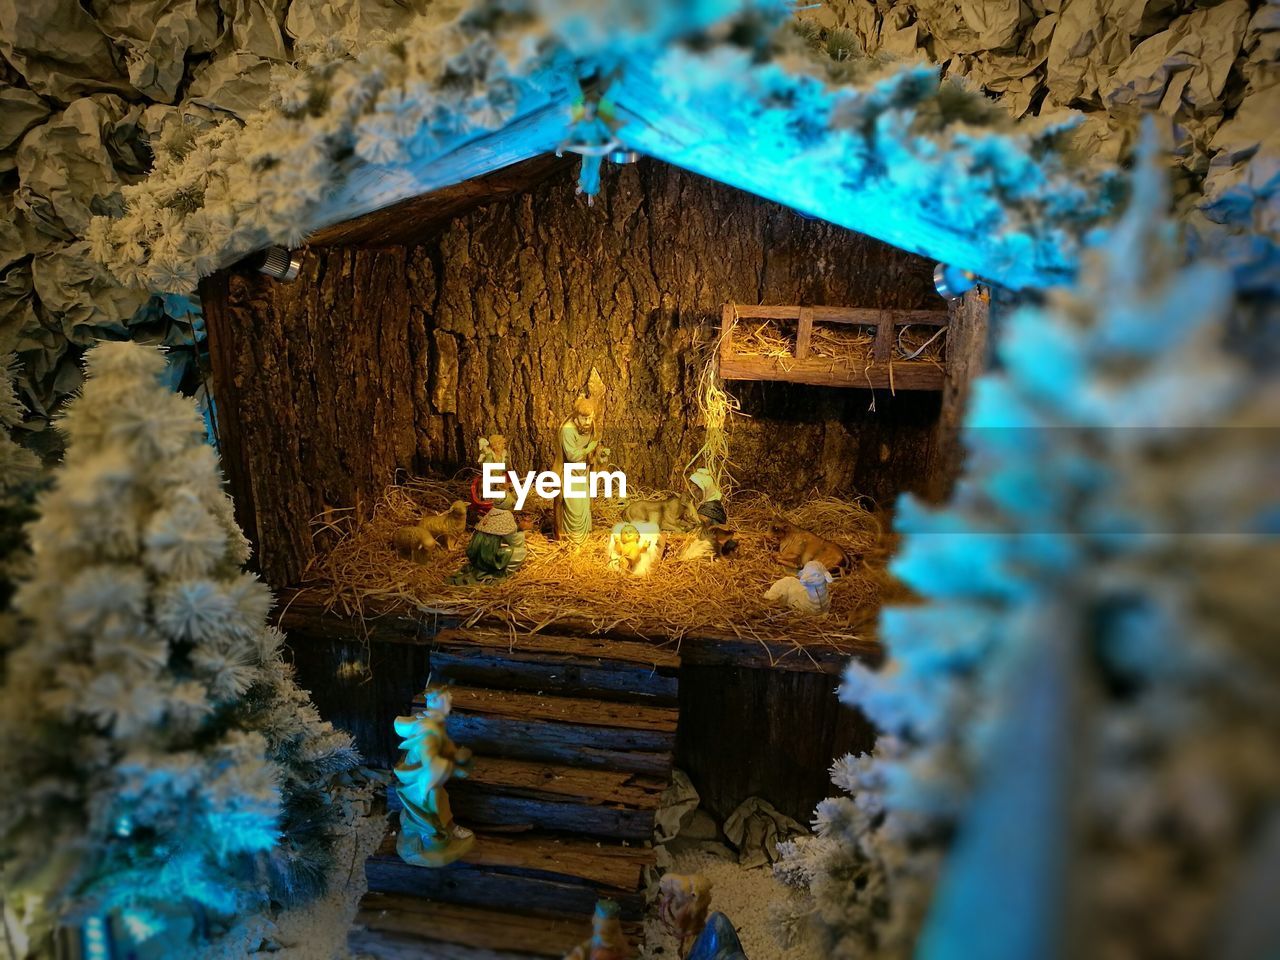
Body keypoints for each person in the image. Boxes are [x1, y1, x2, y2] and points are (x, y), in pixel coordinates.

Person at [554, 398, 599, 546]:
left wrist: (597, 455)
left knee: (584, 505)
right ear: (576, 416)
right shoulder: (568, 430)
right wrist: (589, 449)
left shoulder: (590, 425)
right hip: (570, 473)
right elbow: (571, 455)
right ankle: (572, 540)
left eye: (590, 417)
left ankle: (583, 539)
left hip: (583, 471)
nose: (587, 421)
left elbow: (594, 441)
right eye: (584, 418)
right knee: (574, 506)